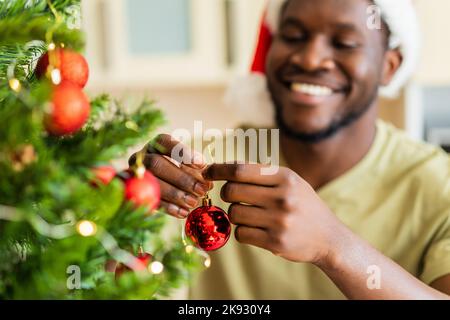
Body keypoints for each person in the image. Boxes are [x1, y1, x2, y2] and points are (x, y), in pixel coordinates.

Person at [130, 0, 450, 299]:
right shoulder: (199, 161)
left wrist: (334, 246)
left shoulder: (440, 186)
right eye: (293, 36)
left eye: (344, 43)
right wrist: (124, 205)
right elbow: (105, 271)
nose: (310, 59)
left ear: (389, 66)